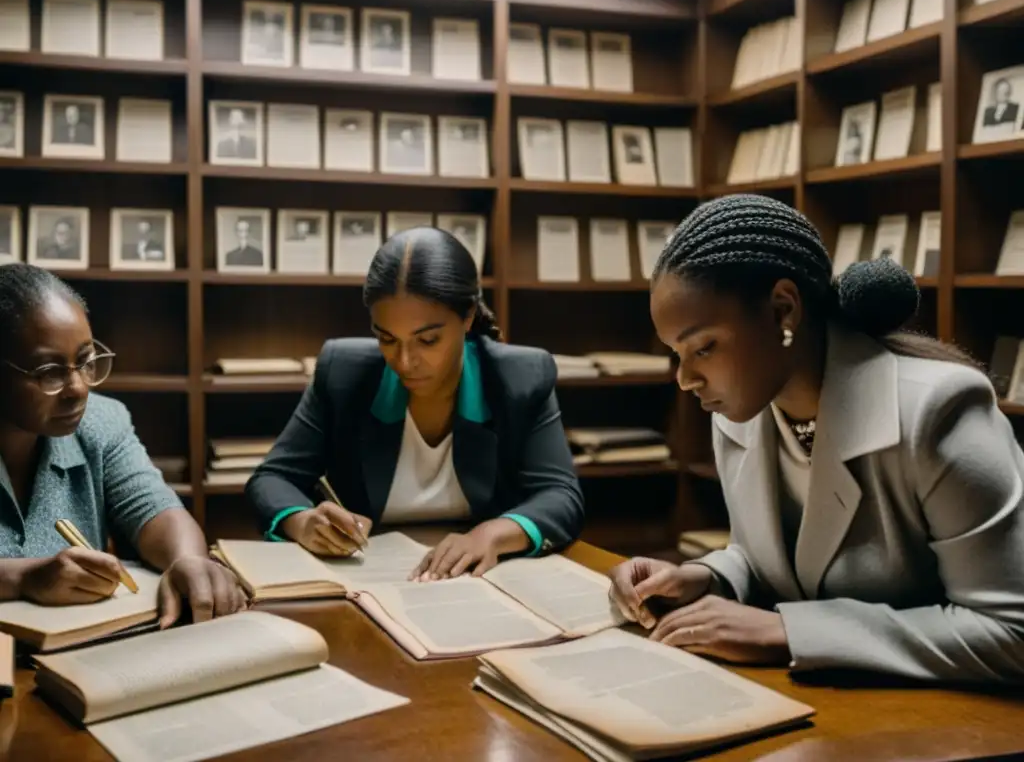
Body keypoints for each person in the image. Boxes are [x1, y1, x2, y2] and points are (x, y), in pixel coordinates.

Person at [609, 194, 1024, 683]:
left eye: (704, 347)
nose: (686, 378)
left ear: (784, 310)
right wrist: (709, 577)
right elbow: (783, 559)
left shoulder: (938, 412)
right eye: (678, 354)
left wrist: (790, 632)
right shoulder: (738, 414)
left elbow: (1011, 631)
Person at [246, 227, 584, 580]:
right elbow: (272, 478)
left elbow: (561, 496)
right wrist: (302, 522)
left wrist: (493, 535)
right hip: (367, 579)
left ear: (468, 317)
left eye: (428, 340)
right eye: (387, 339)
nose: (405, 362)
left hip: (476, 580)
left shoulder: (521, 376)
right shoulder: (343, 372)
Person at [0, 265, 247, 627]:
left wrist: (188, 560)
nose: (79, 388)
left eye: (86, 361)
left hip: (79, 655)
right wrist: (22, 578)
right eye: (50, 371)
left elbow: (156, 509)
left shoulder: (101, 421)